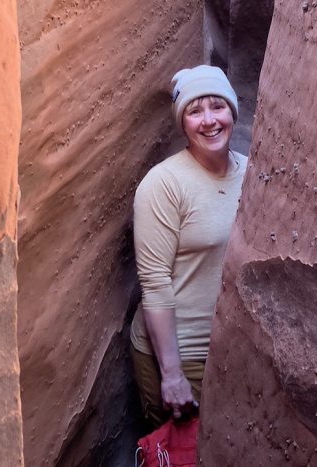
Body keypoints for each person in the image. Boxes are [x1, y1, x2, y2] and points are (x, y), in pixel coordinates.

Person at [130, 65, 247, 428]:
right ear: (183, 123)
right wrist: (172, 374)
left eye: (218, 107)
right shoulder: (164, 185)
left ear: (232, 112)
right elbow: (155, 283)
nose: (209, 120)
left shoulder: (251, 172)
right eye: (195, 111)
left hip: (231, 349)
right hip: (181, 355)